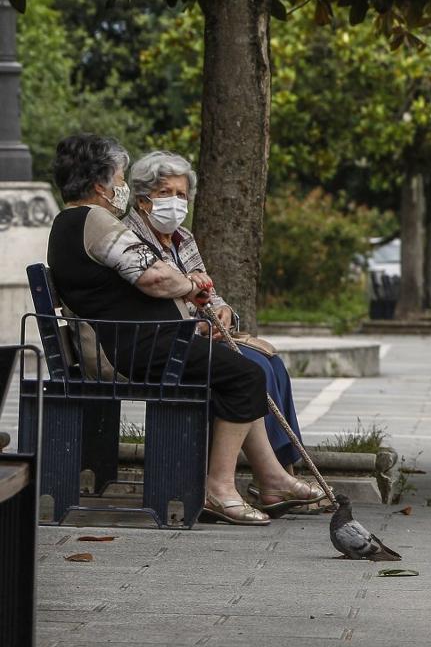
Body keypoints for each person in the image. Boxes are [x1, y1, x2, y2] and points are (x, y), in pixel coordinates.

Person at [46, 134, 324, 526]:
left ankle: (272, 478)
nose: (121, 187)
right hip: (131, 351)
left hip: (134, 343)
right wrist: (193, 284)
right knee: (245, 373)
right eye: (120, 178)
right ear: (100, 186)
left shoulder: (71, 222)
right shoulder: (94, 220)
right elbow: (155, 278)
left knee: (241, 369)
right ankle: (219, 488)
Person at [122, 151, 308, 493]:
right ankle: (270, 479)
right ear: (143, 197)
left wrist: (224, 314)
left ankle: (279, 472)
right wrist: (200, 324)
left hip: (202, 336)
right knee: (253, 369)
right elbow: (158, 299)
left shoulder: (184, 238)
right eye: (166, 194)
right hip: (170, 342)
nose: (176, 203)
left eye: (181, 195)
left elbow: (211, 294)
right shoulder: (130, 240)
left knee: (273, 365)